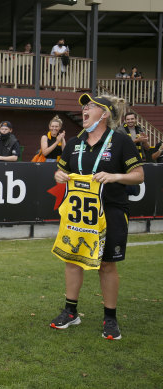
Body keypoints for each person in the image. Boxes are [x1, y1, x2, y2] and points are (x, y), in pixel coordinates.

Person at [50, 93, 144, 340]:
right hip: (78, 214)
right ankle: (71, 312)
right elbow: (60, 172)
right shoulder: (74, 142)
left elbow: (139, 175)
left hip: (111, 210)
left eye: (90, 106)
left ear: (104, 114)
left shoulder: (121, 141)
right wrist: (59, 176)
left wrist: (115, 177)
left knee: (106, 264)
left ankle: (110, 318)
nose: (84, 110)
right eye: (83, 107)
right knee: (72, 259)